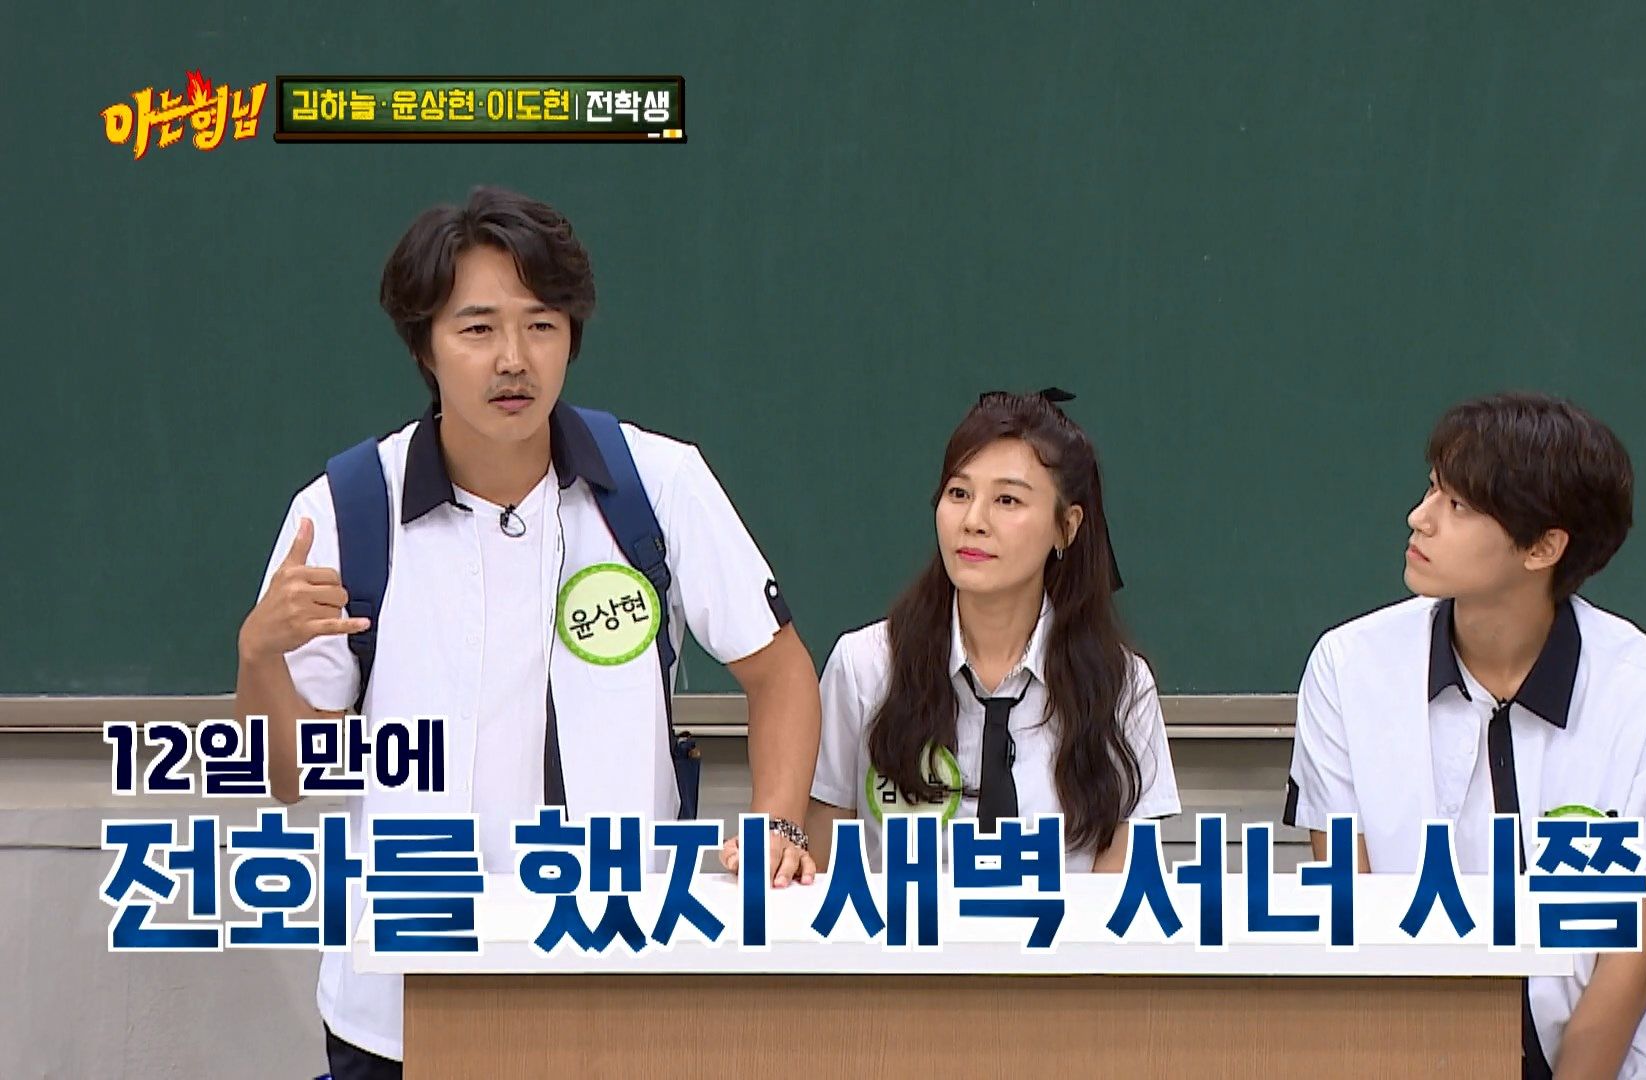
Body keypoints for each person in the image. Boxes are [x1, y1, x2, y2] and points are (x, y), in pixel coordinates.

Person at [234, 186, 822, 1077]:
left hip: (621, 974)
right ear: (425, 345)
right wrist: (257, 656)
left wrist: (779, 823)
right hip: (402, 999)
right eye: (477, 329)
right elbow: (286, 777)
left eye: (541, 325)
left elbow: (779, 674)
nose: (513, 359)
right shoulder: (346, 512)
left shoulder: (655, 485)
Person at [1283, 391, 1646, 1078]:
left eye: (1459, 506)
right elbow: (1353, 918)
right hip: (1412, 1055)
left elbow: (1633, 959)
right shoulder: (1349, 668)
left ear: (1544, 546)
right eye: (1432, 488)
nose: (1420, 518)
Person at [807, 389, 1180, 872]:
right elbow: (823, 867)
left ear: (1066, 527)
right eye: (958, 494)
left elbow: (1123, 885)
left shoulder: (1120, 686)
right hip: (902, 924)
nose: (973, 521)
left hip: (1061, 924)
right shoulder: (866, 667)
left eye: (1007, 499)